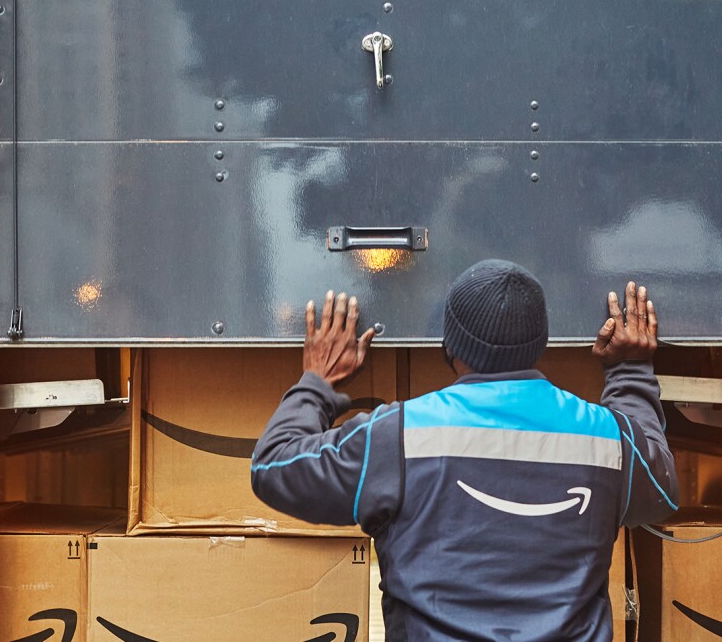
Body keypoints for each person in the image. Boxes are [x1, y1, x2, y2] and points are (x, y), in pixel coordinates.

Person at [251, 259, 678, 641]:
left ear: (449, 346)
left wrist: (317, 383)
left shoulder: (397, 437)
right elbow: (661, 490)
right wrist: (631, 372)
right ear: (542, 343)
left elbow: (274, 466)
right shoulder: (604, 438)